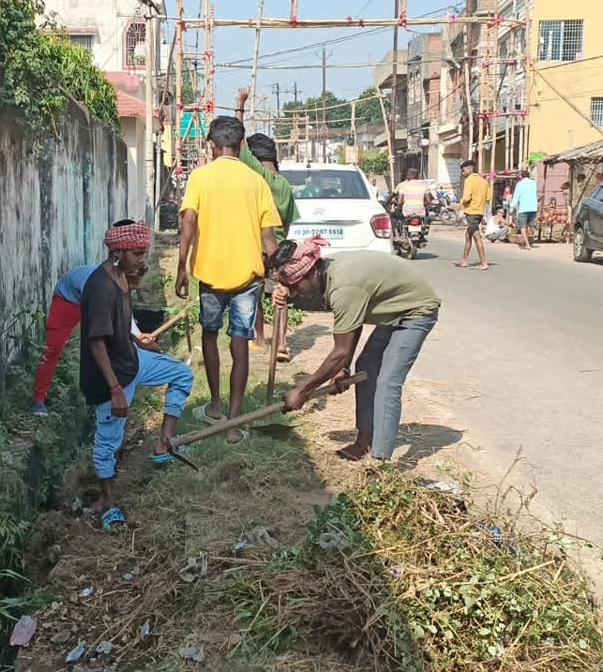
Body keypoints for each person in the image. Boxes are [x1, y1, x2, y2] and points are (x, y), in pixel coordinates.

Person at [268, 237, 441, 462]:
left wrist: (302, 390)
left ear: (311, 273)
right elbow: (352, 322)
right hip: (394, 309)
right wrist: (345, 367)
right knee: (366, 367)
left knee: (388, 381)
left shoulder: (344, 286)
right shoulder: (328, 275)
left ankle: (380, 461)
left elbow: (339, 351)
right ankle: (364, 441)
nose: (294, 293)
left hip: (416, 310)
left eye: (295, 286)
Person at [176, 115, 282, 443]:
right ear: (241, 145)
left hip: (209, 272)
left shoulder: (200, 178)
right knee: (240, 342)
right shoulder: (256, 181)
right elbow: (268, 238)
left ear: (211, 144)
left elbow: (189, 222)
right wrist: (279, 276)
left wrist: (182, 265)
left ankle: (215, 406)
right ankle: (233, 425)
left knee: (210, 336)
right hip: (247, 277)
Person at [83, 221, 193, 530]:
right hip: (111, 377)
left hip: (132, 361)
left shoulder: (122, 277)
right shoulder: (100, 287)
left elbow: (121, 325)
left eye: (144, 254)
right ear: (117, 251)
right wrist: (116, 389)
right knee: (108, 442)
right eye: (137, 254)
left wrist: (138, 340)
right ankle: (108, 504)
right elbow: (96, 343)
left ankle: (164, 443)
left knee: (181, 374)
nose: (142, 261)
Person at [30, 223, 152, 417]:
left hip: (86, 298)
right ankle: (38, 399)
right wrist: (136, 335)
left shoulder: (120, 275)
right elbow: (117, 319)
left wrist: (137, 335)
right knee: (53, 350)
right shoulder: (100, 284)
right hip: (67, 300)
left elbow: (123, 315)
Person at [234, 87, 301, 361]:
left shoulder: (257, 174)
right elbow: (289, 224)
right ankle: (282, 342)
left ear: (256, 157)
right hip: (279, 248)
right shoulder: (285, 185)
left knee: (254, 292)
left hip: (255, 245)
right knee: (281, 295)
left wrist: (240, 104)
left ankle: (260, 338)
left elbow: (237, 140)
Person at [456, 159, 491, 270]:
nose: (463, 173)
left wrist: (460, 204)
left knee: (477, 237)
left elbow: (467, 197)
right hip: (480, 212)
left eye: (463, 170)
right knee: (468, 236)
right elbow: (488, 198)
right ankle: (464, 261)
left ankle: (484, 263)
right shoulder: (484, 181)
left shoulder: (470, 180)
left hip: (472, 212)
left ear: (469, 169)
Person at [509, 169, 536, 250]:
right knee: (528, 226)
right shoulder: (533, 183)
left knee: (522, 227)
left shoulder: (520, 184)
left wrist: (511, 208)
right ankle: (527, 242)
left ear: (522, 176)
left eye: (519, 175)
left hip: (524, 208)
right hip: (533, 207)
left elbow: (516, 197)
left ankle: (527, 244)